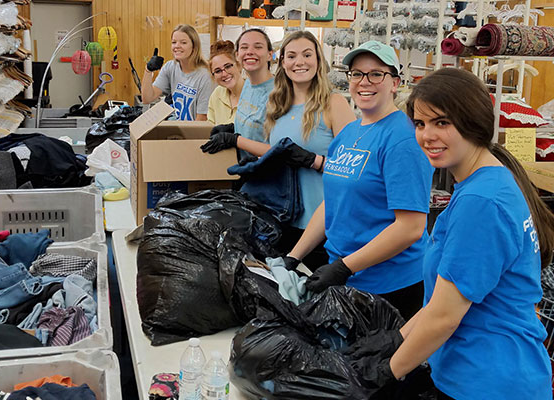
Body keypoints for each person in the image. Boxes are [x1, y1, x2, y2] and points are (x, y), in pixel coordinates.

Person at [381, 68, 554, 400]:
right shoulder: (489, 182)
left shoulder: (480, 202)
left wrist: (385, 372)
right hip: (486, 372)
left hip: (488, 381)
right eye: (420, 124)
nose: (427, 135)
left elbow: (445, 317)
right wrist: (395, 342)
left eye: (442, 122)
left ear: (473, 122)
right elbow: (440, 304)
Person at [289, 40, 434, 320]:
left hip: (392, 287)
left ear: (395, 82)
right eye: (357, 74)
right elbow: (331, 204)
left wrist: (345, 267)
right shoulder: (348, 133)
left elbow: (411, 227)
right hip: (350, 279)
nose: (364, 82)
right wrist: (294, 256)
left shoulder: (402, 138)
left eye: (376, 74)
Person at [202, 31, 355, 259]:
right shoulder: (278, 105)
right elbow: (266, 150)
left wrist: (314, 161)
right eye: (292, 56)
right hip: (281, 221)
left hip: (323, 226)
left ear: (318, 60)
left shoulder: (333, 104)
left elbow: (354, 173)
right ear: (282, 62)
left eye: (307, 55)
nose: (299, 62)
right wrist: (235, 134)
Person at [141, 24, 213, 121]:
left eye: (183, 43)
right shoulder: (170, 67)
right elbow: (147, 98)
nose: (177, 46)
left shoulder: (205, 76)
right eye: (174, 42)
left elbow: (202, 119)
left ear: (194, 46)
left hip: (195, 133)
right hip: (179, 130)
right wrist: (148, 70)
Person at [207, 40, 244, 125]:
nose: (224, 74)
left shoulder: (255, 95)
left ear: (238, 65)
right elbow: (209, 129)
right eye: (218, 71)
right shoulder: (217, 94)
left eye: (228, 66)